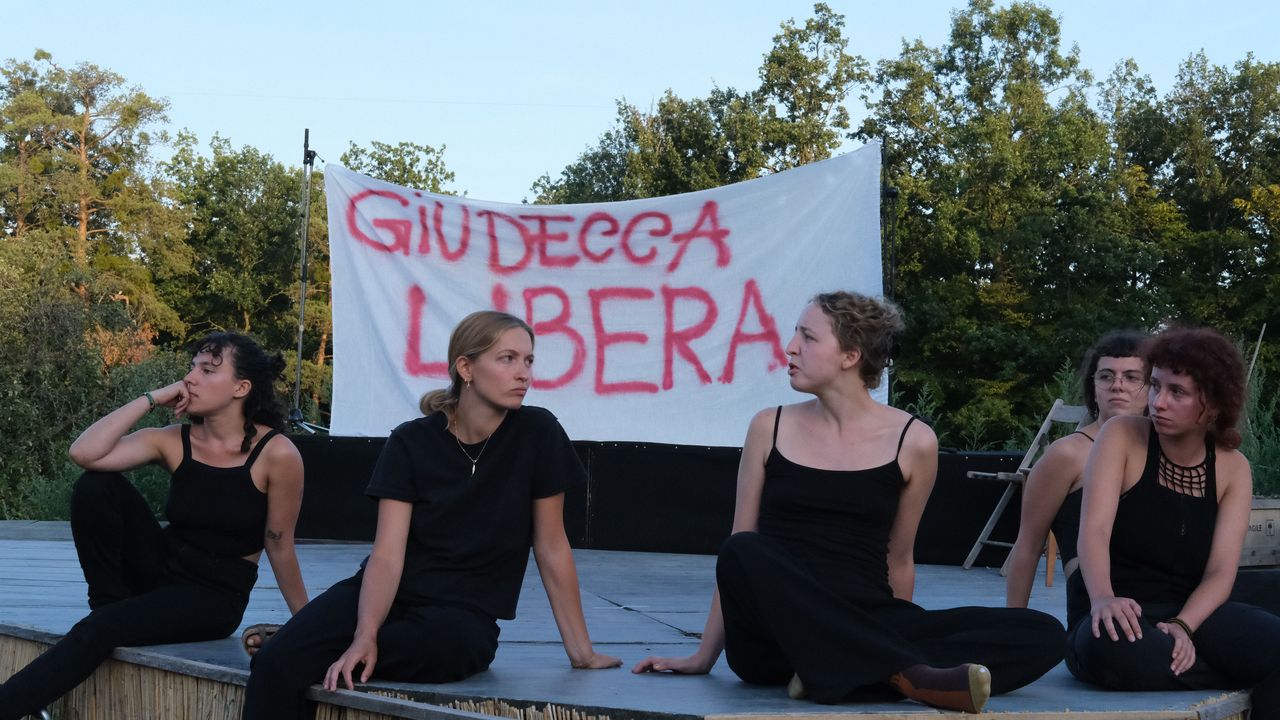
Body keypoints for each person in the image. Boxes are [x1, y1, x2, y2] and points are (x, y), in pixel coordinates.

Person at [633, 292, 1065, 713]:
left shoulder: (913, 441)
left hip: (867, 614)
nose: (790, 347)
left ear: (850, 355)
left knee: (1041, 632)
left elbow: (900, 559)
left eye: (807, 337)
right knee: (742, 550)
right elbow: (739, 554)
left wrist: (895, 628)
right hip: (774, 636)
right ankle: (904, 675)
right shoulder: (770, 426)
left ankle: (838, 669)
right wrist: (703, 658)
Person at [242, 310, 621, 719]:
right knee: (275, 663)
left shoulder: (538, 433)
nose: (523, 373)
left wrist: (581, 652)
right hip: (388, 594)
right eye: (507, 358)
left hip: (462, 617)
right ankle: (308, 641)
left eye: (528, 360)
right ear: (466, 367)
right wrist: (366, 632)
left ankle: (311, 641)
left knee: (442, 651)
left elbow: (551, 545)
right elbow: (387, 553)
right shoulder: (411, 441)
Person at [0, 332, 308, 720]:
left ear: (241, 388)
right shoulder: (174, 440)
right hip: (161, 566)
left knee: (101, 630)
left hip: (213, 596)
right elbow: (84, 452)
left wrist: (308, 626)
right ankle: (109, 606)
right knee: (97, 485)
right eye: (192, 367)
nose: (190, 378)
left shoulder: (277, 454)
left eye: (208, 370)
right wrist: (151, 398)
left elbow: (279, 545)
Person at [1069, 327, 1280, 718]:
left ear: (1213, 405)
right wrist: (1102, 598)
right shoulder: (1121, 436)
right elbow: (1093, 532)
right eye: (1154, 386)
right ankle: (1246, 670)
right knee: (1115, 650)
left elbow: (1220, 572)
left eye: (1176, 392)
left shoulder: (1234, 468)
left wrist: (1184, 626)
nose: (1157, 402)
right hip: (1117, 611)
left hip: (1192, 613)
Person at [1006, 331, 1148, 623]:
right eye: (1106, 376)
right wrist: (1012, 626)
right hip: (1097, 608)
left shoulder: (1165, 451)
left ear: (1151, 386)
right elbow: (1028, 545)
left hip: (1161, 595)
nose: (1118, 385)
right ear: (1093, 387)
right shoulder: (1068, 454)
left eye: (1132, 377)